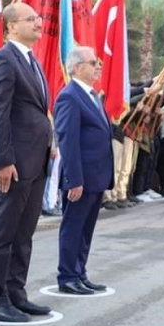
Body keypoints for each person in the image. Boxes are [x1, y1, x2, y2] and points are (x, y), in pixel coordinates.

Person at [0, 2, 53, 323]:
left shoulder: (32, 61)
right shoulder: (3, 59)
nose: (39, 23)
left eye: (38, 18)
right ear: (11, 27)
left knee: (23, 233)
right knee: (3, 233)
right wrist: (2, 160)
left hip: (35, 163)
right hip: (12, 165)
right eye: (31, 19)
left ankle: (16, 293)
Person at [54, 46, 114, 295]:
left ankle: (80, 272)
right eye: (93, 62)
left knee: (86, 229)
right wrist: (74, 179)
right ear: (77, 68)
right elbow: (68, 140)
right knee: (73, 227)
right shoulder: (70, 96)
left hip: (96, 176)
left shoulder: (92, 95)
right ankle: (67, 276)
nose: (98, 66)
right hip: (81, 178)